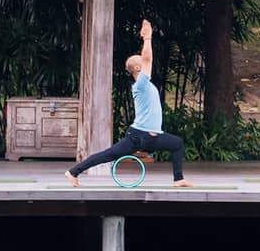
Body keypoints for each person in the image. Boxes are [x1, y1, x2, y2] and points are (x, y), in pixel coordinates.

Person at [65, 19, 194, 188]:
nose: (146, 62)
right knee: (108, 155)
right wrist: (147, 38)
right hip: (138, 136)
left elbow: (147, 60)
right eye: (142, 62)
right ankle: (73, 172)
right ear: (138, 69)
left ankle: (178, 179)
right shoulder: (140, 84)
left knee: (177, 144)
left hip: (152, 137)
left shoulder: (145, 84)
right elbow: (148, 59)